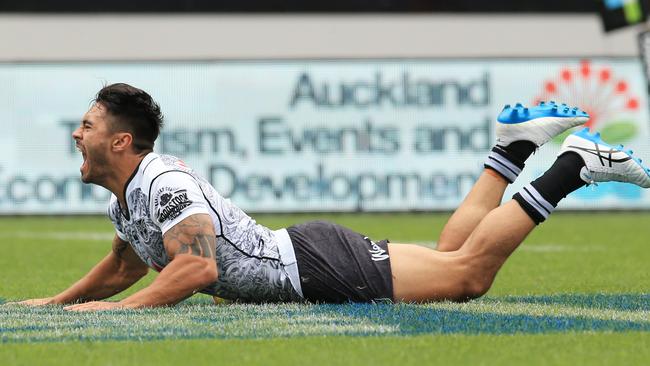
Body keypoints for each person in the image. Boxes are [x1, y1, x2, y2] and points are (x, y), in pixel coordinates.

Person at [8, 84, 650, 311]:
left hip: (313, 266)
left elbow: (197, 266)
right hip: (311, 256)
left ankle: (572, 165)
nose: (76, 133)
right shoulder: (127, 200)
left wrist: (114, 316)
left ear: (122, 142)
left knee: (468, 276)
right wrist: (60, 303)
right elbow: (125, 264)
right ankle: (510, 151)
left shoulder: (163, 183)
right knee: (449, 256)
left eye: (87, 126)